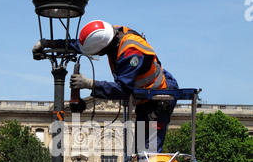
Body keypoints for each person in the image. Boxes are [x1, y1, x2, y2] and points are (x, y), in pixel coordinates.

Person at [33, 21, 179, 154]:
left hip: (160, 96)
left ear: (104, 48)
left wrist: (90, 84)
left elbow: (123, 89)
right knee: (141, 154)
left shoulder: (131, 52)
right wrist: (48, 43)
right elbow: (82, 45)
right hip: (146, 97)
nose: (96, 55)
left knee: (147, 154)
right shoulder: (110, 35)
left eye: (96, 52)